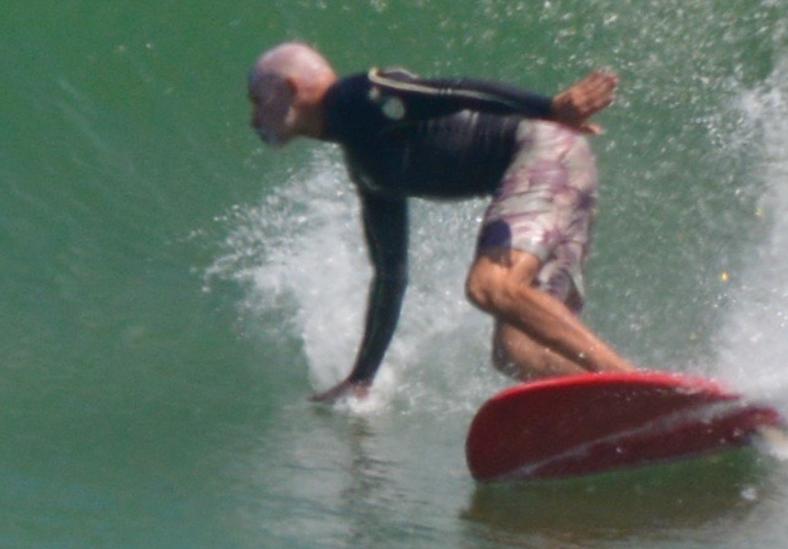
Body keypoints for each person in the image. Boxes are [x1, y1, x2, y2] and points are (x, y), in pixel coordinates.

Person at [247, 42, 636, 403]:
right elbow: (391, 276)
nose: (254, 118)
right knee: (516, 352)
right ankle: (627, 404)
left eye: (258, 101)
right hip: (559, 168)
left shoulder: (357, 96)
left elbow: (451, 92)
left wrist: (547, 107)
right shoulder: (368, 167)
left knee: (490, 286)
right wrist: (362, 379)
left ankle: (631, 383)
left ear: (289, 87)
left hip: (541, 153)